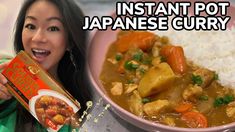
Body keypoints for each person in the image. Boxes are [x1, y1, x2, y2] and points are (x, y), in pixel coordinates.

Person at [0, 0, 92, 131]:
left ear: (70, 41)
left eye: (53, 28)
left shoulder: (72, 113)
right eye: (31, 26)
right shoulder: (3, 71)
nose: (37, 38)